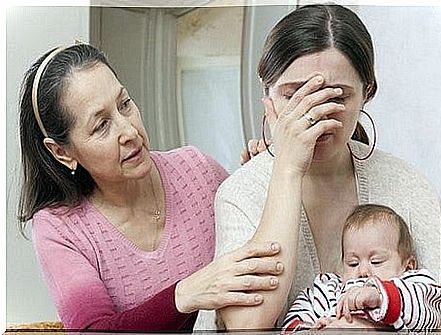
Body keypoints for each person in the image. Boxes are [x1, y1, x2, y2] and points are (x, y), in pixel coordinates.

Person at [194, 3, 441, 331]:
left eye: (337, 97)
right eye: (295, 96)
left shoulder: (406, 185)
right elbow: (247, 324)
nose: (315, 114)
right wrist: (287, 168)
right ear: (268, 98)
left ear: (367, 93)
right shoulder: (241, 192)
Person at [17, 43, 285, 331]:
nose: (130, 131)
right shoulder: (60, 227)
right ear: (62, 152)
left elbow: (262, 264)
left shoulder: (197, 169)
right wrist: (185, 295)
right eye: (101, 125)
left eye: (125, 104)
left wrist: (257, 184)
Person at [282, 204, 441, 333]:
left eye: (376, 261)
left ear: (408, 265)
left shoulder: (413, 283)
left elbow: (429, 312)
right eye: (353, 263)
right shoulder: (329, 289)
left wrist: (379, 296)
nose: (363, 272)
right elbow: (296, 315)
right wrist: (311, 329)